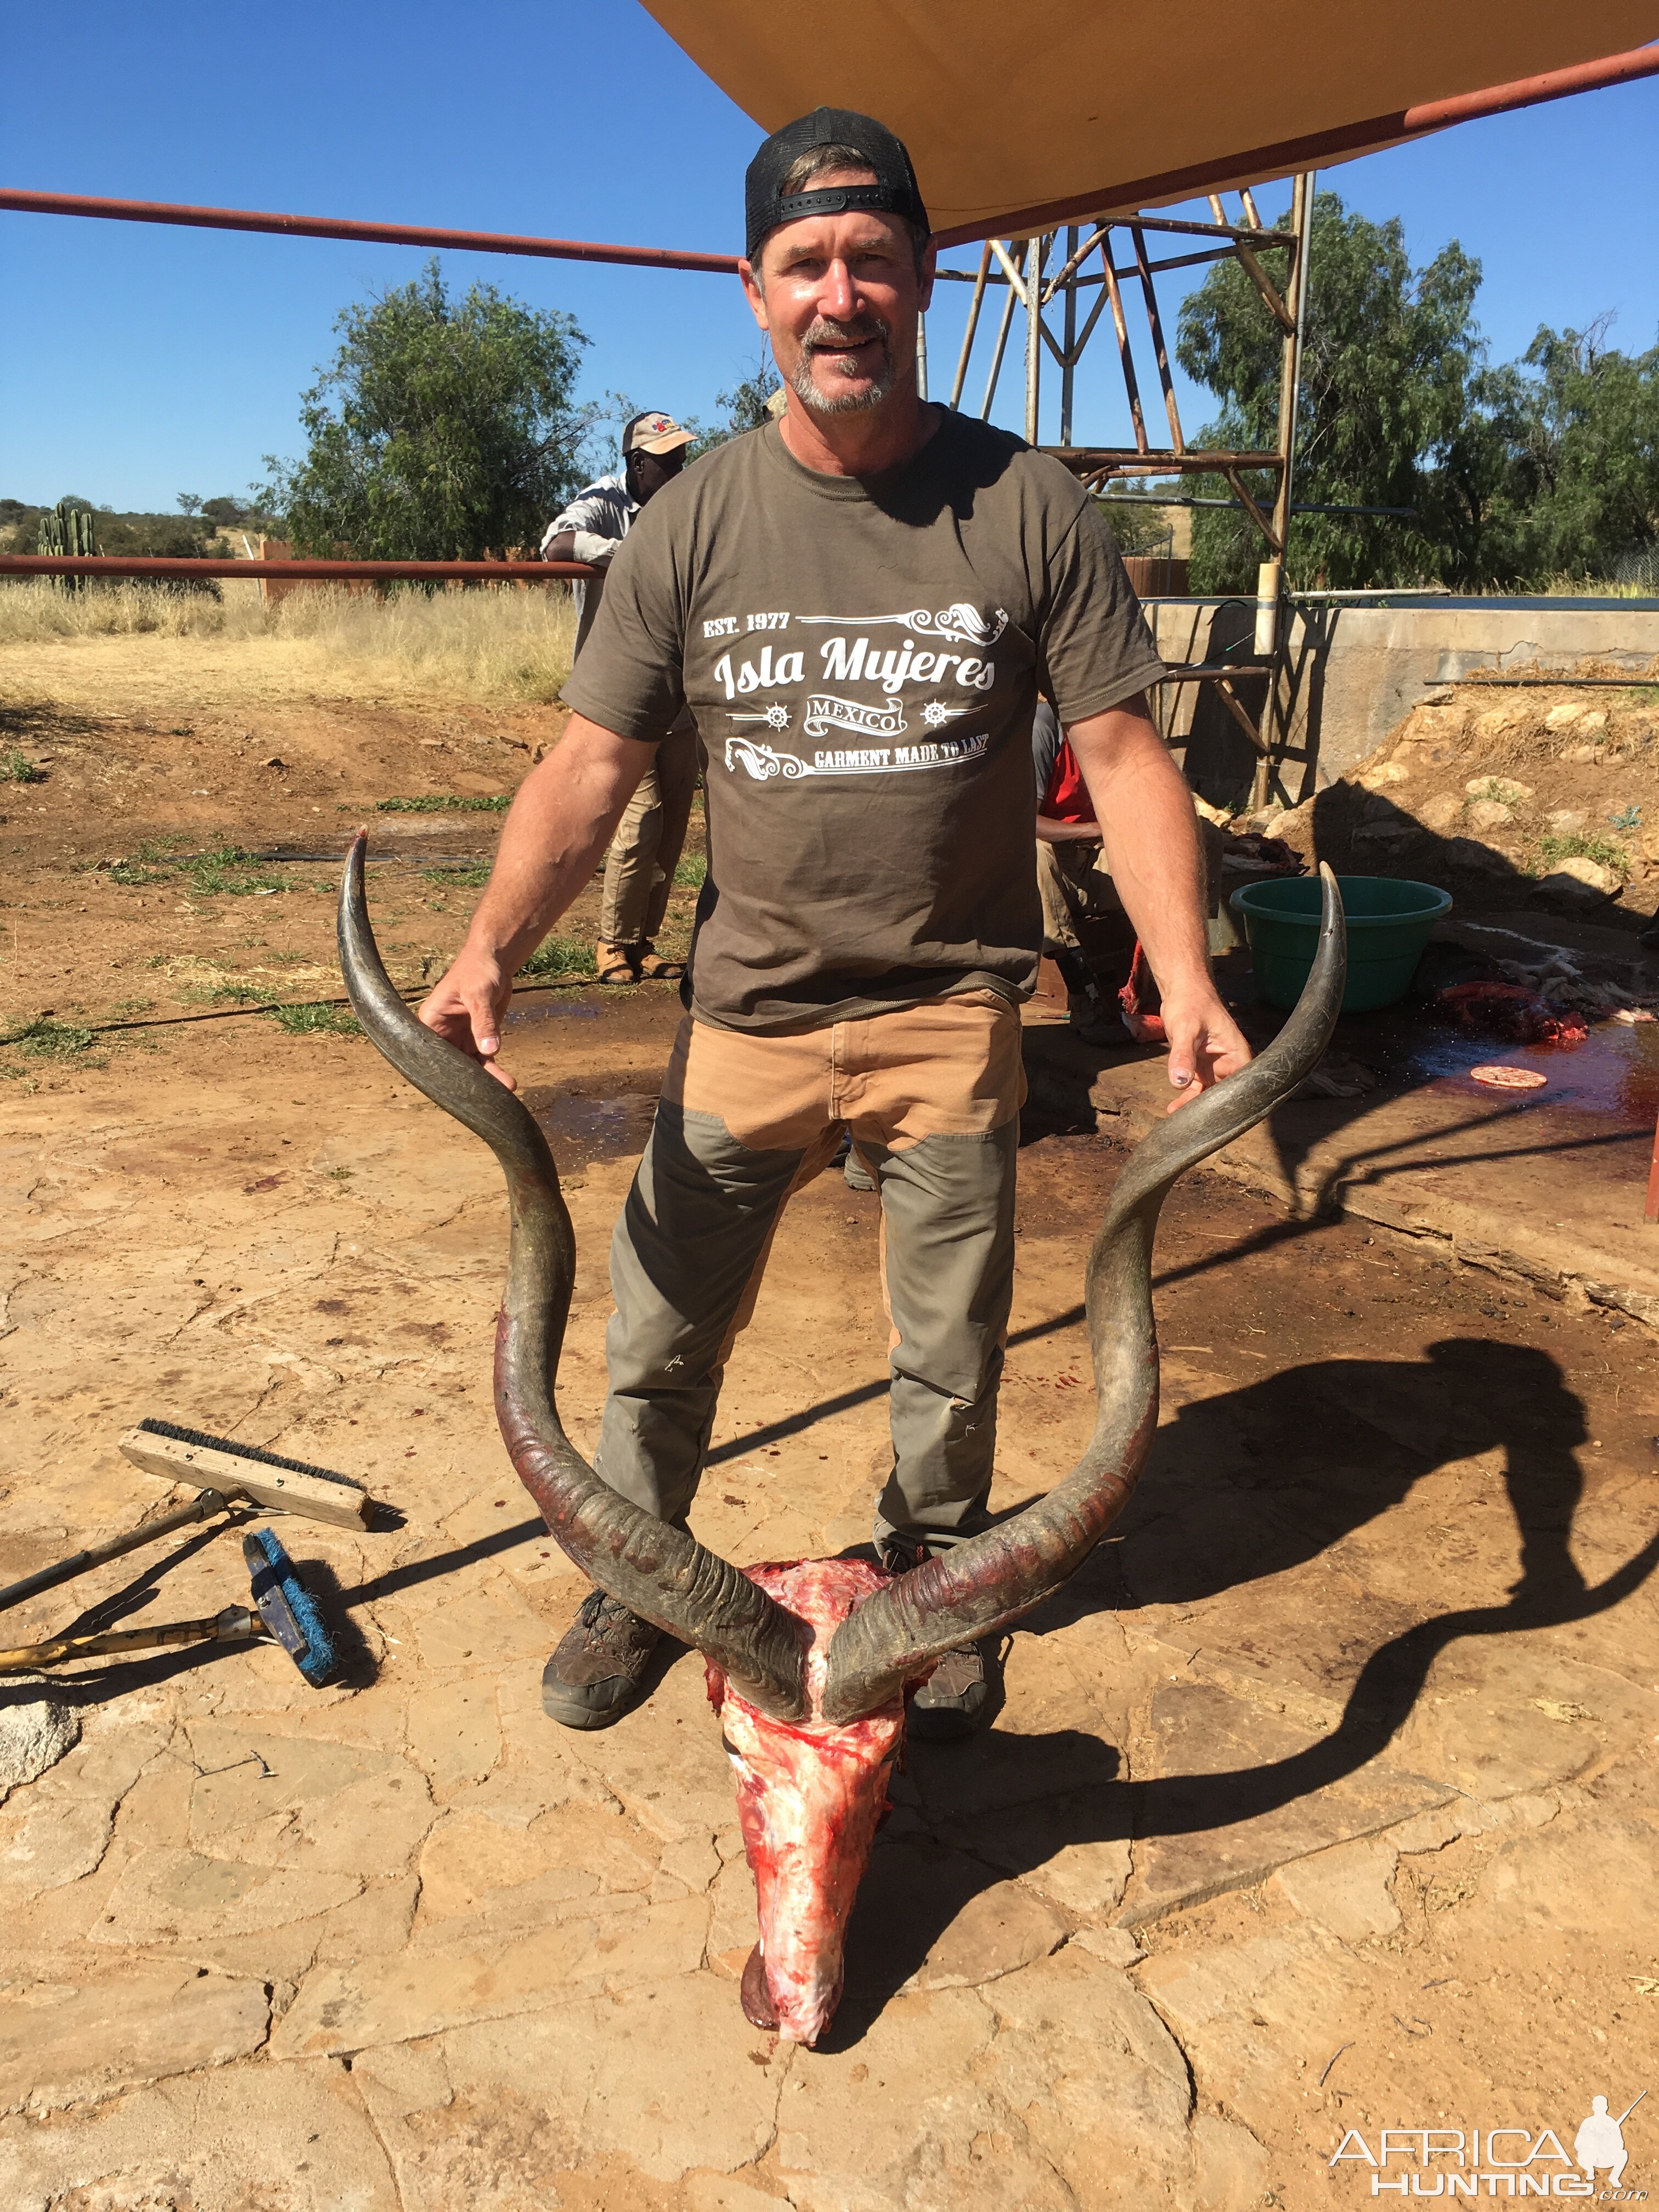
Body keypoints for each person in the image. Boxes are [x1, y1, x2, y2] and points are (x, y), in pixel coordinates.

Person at [420, 104, 1250, 1739]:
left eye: (873, 257)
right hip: (752, 1014)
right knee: (661, 1332)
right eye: (806, 262)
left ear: (924, 276)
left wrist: (1186, 968)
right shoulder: (696, 523)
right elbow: (593, 768)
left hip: (951, 1016)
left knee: (951, 1360)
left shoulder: (1025, 505)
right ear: (755, 291)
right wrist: (487, 953)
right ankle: (640, 1574)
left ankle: (932, 1594)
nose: (840, 293)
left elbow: (1124, 754)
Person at [543, 411, 700, 984]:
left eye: (682, 456)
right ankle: (612, 942)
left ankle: (645, 940)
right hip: (622, 693)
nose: (680, 468)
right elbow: (556, 543)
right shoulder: (602, 501)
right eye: (668, 460)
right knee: (643, 816)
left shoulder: (684, 504)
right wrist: (629, 557)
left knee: (675, 819)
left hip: (681, 691)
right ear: (638, 463)